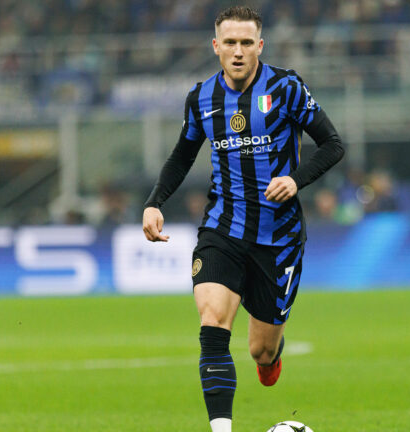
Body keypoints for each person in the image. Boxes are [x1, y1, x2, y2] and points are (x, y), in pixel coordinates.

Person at [141, 6, 344, 432]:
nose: (238, 51)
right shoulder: (201, 98)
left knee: (260, 351)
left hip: (279, 237)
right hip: (223, 228)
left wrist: (295, 179)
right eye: (230, 42)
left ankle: (271, 357)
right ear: (215, 46)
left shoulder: (286, 88)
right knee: (213, 321)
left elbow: (332, 144)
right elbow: (182, 155)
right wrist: (155, 202)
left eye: (246, 43)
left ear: (260, 46)